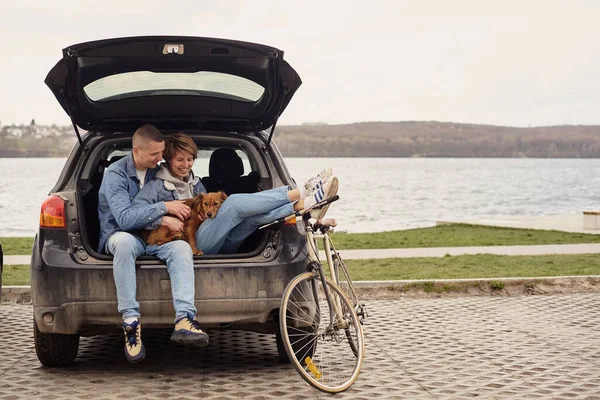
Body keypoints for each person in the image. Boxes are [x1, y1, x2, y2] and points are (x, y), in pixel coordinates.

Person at [97, 125, 210, 364]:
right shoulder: (115, 175)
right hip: (123, 235)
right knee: (125, 243)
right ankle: (131, 321)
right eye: (155, 155)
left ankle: (185, 319)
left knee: (181, 248)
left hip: (159, 238)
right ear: (136, 150)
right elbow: (125, 218)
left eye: (162, 154)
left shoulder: (157, 173)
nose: (161, 160)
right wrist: (164, 210)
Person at [132, 132, 339, 255]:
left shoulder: (198, 186)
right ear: (167, 160)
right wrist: (165, 217)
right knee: (234, 203)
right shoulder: (155, 186)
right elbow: (133, 214)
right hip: (189, 242)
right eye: (180, 160)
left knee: (252, 219)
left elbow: (213, 216)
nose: (186, 165)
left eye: (190, 159)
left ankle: (305, 204)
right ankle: (302, 190)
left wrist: (209, 214)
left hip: (219, 241)